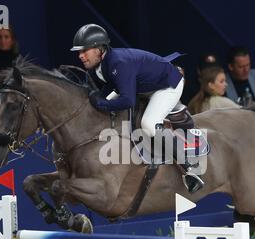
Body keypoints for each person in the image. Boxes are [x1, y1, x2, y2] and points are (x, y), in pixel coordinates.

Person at [70, 23, 204, 193]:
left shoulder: (118, 62)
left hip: (167, 85)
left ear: (99, 49)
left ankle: (190, 166)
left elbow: (128, 101)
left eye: (84, 51)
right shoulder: (98, 66)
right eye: (79, 52)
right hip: (144, 86)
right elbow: (110, 87)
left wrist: (101, 103)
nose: (80, 56)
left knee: (149, 124)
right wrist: (97, 101)